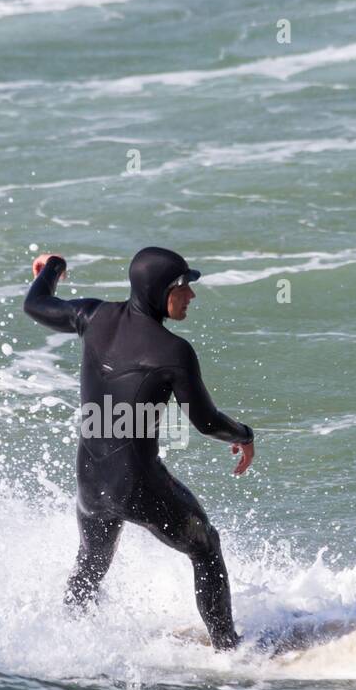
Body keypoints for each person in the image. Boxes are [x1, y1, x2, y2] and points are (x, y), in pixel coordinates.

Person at [23, 246, 254, 650]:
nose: (191, 296)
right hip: (139, 487)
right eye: (184, 286)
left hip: (91, 481)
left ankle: (64, 638)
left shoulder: (93, 317)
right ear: (162, 290)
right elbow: (206, 422)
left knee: (92, 563)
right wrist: (244, 435)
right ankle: (229, 650)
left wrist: (53, 268)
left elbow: (36, 303)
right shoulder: (173, 352)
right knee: (206, 547)